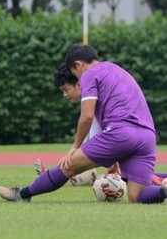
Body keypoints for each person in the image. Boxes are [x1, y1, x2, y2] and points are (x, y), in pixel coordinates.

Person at [0, 44, 167, 203]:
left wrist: (75, 147)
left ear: (78, 65)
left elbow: (87, 116)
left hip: (121, 132)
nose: (78, 79)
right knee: (136, 195)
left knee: (68, 165)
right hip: (147, 135)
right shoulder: (117, 69)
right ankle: (164, 190)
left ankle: (22, 194)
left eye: (74, 72)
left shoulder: (89, 75)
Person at [34, 63, 167, 185]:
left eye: (66, 89)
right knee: (128, 173)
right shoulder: (106, 86)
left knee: (77, 167)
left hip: (126, 135)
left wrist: (76, 148)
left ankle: (38, 184)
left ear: (79, 83)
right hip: (142, 134)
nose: (65, 95)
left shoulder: (94, 97)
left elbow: (92, 129)